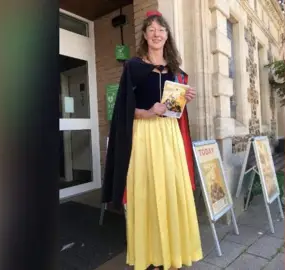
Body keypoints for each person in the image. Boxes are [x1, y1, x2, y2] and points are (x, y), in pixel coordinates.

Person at [102, 10, 203, 270]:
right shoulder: (133, 67)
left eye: (161, 29)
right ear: (145, 36)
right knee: (147, 194)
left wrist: (184, 98)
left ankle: (174, 254)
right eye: (151, 30)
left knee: (172, 191)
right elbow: (124, 110)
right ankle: (153, 257)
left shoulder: (176, 70)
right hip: (144, 136)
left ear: (167, 35)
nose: (157, 34)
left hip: (170, 136)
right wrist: (148, 112)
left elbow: (175, 109)